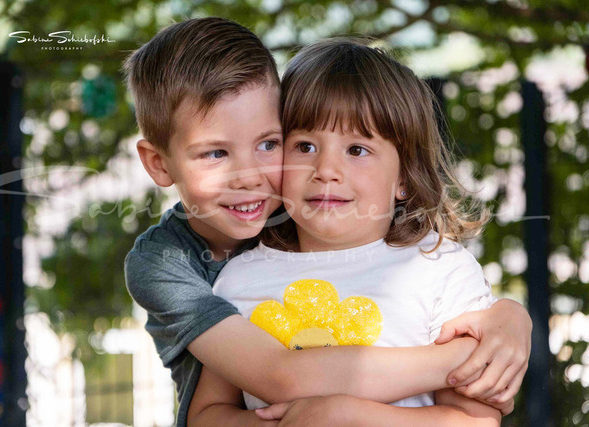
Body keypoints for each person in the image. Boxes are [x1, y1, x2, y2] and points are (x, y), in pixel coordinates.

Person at [123, 18, 532, 426]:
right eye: (304, 146)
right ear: (159, 163)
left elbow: (475, 419)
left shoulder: (437, 270)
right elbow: (260, 386)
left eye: (268, 144)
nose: (326, 170)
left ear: (405, 177)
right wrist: (463, 357)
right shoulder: (209, 271)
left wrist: (512, 317)